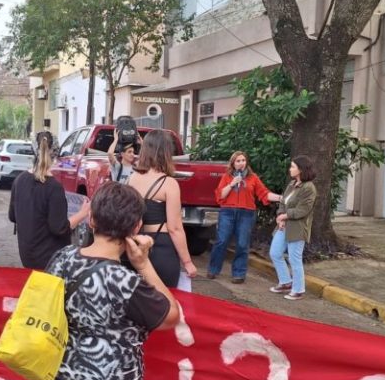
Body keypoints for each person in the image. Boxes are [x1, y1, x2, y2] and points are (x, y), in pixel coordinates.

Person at [37, 181, 179, 380]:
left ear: (91, 220)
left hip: (54, 376)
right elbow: (171, 316)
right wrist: (143, 264)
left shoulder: (63, 257)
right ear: (137, 227)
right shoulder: (125, 282)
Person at [126, 129, 197, 288]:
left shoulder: (132, 179)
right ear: (165, 152)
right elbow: (175, 228)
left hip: (136, 246)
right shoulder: (169, 184)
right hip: (162, 249)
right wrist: (187, 262)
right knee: (164, 302)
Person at [9, 131, 89, 269]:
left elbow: (13, 216)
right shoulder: (54, 187)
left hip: (26, 255)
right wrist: (82, 214)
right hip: (49, 259)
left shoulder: (19, 180)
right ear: (55, 153)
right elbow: (59, 228)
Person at [207, 151, 281, 283]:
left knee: (242, 243)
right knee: (222, 241)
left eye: (243, 160)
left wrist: (281, 198)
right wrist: (232, 184)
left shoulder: (253, 178)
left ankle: (239, 274)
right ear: (233, 164)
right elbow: (220, 195)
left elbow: (264, 193)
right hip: (228, 212)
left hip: (246, 213)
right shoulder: (227, 177)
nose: (241, 163)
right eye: (238, 161)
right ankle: (213, 269)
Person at [269, 155, 317, 301]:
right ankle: (285, 282)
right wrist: (280, 216)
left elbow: (303, 210)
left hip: (297, 227)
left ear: (300, 169)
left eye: (292, 167)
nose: (290, 169)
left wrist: (285, 216)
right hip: (284, 225)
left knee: (294, 258)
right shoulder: (292, 184)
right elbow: (283, 201)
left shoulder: (309, 188)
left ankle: (298, 289)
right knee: (275, 253)